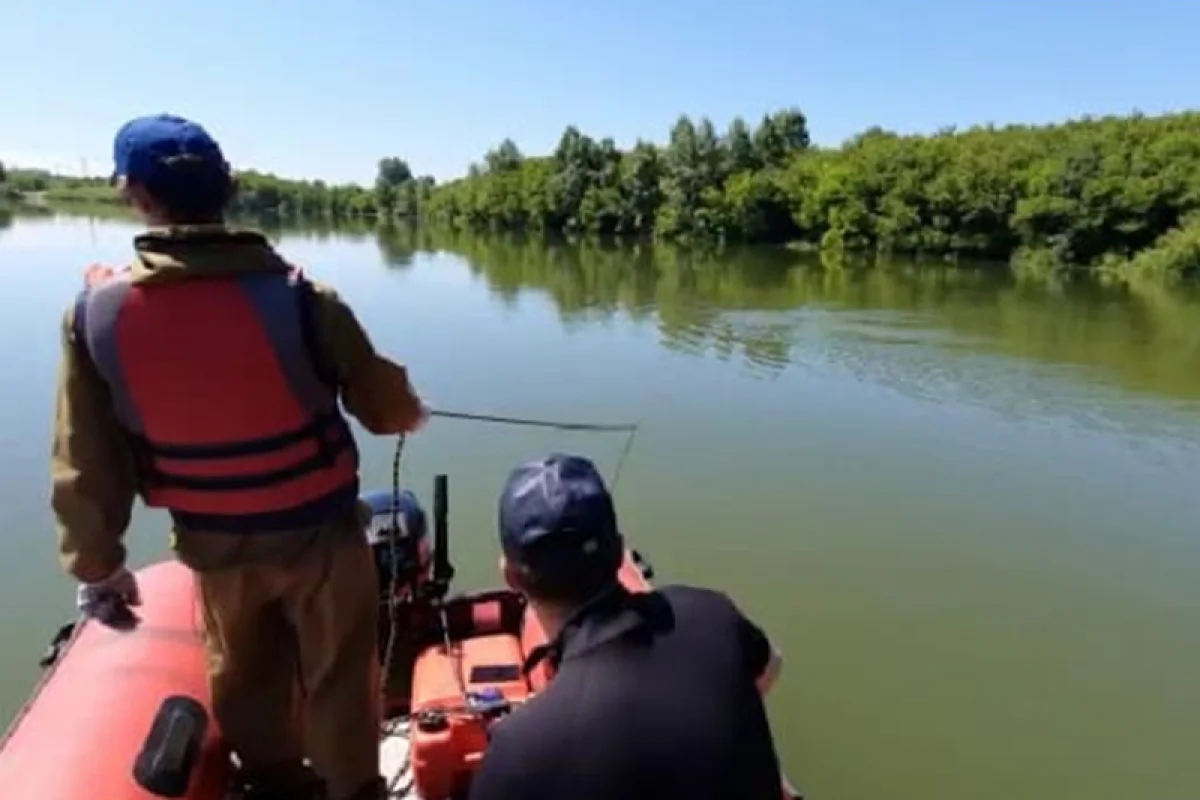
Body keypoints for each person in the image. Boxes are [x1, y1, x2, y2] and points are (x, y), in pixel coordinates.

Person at [49, 113, 428, 800]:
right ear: (230, 187)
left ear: (133, 193)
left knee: (245, 676)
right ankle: (353, 789)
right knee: (342, 675)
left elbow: (84, 457)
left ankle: (276, 784)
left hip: (215, 543)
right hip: (322, 537)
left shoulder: (94, 315)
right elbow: (388, 412)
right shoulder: (305, 298)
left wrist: (99, 566)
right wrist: (406, 404)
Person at [467, 452, 793, 800]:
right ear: (621, 550)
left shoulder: (519, 749)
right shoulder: (714, 613)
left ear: (512, 577)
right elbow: (771, 664)